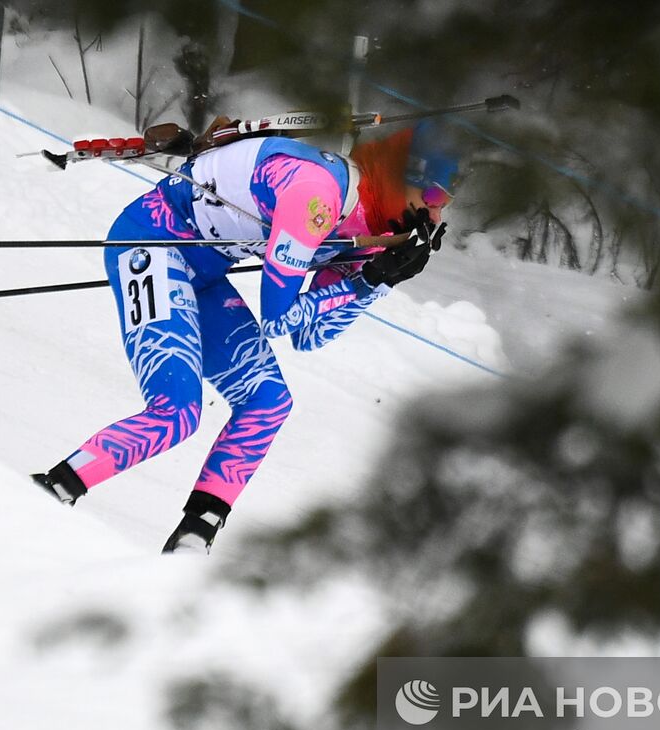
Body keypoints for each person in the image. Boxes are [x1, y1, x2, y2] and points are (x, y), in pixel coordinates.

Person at [31, 121, 460, 553]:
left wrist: (377, 282)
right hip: (151, 244)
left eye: (447, 203)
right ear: (406, 177)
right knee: (177, 412)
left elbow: (311, 334)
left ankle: (194, 538)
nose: (438, 214)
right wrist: (360, 281)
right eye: (435, 197)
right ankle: (50, 490)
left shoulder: (371, 230)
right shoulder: (317, 193)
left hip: (203, 272)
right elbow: (278, 319)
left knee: (268, 401)